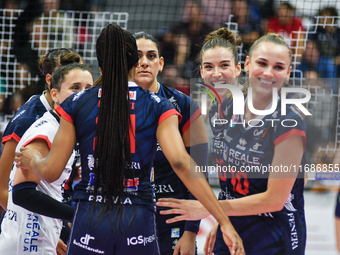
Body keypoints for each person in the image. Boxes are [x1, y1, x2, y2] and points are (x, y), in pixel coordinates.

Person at [15, 24, 244, 255]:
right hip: (138, 220)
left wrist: (33, 159)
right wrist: (223, 220)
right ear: (135, 63)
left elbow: (51, 170)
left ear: (100, 65)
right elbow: (182, 163)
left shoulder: (76, 103)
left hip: (90, 219)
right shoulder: (158, 104)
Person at [157, 33, 307, 255]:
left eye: (278, 67)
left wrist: (209, 209)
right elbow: (230, 184)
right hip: (232, 225)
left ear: (288, 72)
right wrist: (221, 221)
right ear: (247, 64)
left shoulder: (289, 121)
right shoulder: (222, 110)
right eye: (262, 64)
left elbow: (275, 200)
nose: (267, 73)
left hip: (274, 233)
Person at [0, 61, 93, 254]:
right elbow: (22, 193)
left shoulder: (63, 128)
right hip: (28, 240)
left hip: (41, 234)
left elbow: (45, 181)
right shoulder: (48, 130)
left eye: (88, 88)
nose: (83, 94)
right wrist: (79, 214)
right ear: (55, 95)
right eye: (75, 88)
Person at [133, 30, 208, 255]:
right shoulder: (109, 105)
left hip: (172, 218)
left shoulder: (184, 106)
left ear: (161, 63)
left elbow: (198, 172)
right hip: (127, 217)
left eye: (151, 56)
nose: (144, 63)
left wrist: (191, 232)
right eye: (137, 57)